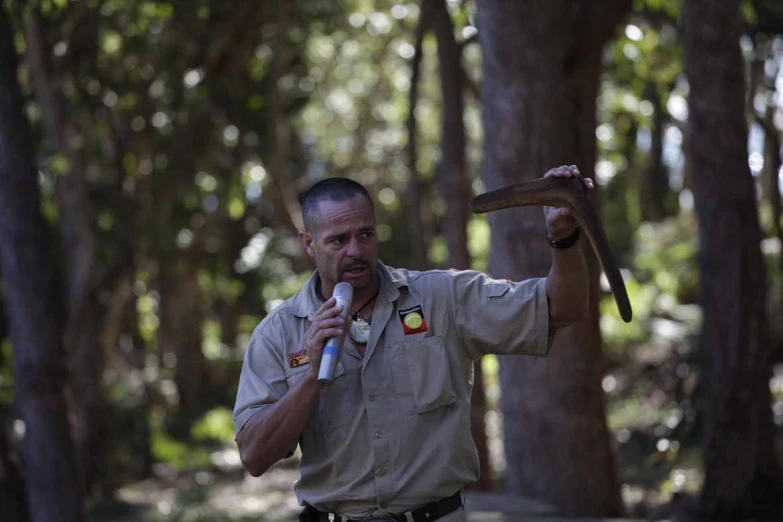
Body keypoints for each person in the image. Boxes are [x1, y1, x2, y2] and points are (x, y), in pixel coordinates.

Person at [233, 165, 593, 522]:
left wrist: (563, 239)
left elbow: (559, 309)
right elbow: (254, 456)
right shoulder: (279, 333)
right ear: (309, 243)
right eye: (338, 240)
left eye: (366, 234)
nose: (356, 250)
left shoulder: (443, 298)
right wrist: (313, 376)